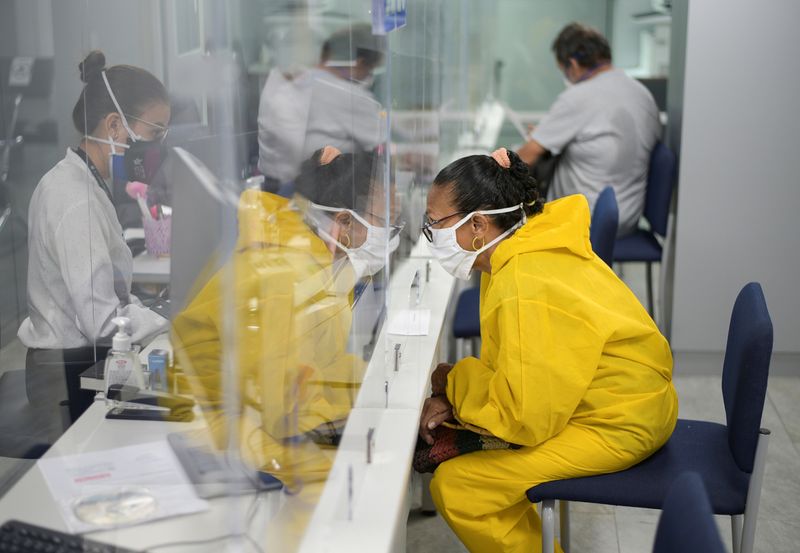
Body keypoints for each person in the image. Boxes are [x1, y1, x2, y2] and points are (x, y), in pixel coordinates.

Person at [419, 147, 678, 552]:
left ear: (478, 226)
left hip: (617, 423)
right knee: (470, 474)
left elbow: (523, 419)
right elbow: (514, 368)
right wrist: (459, 398)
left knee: (461, 488)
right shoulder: (522, 246)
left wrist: (454, 388)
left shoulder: (524, 280)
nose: (431, 233)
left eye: (436, 222)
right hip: (620, 399)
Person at [172, 146, 401, 492]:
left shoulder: (322, 259)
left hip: (262, 411)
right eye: (385, 222)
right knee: (358, 478)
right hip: (225, 423)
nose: (393, 234)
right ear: (343, 221)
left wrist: (370, 387)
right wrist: (358, 406)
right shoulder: (288, 276)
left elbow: (318, 361)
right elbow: (281, 409)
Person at [18, 50, 170, 422]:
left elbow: (110, 294)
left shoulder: (84, 181)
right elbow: (102, 321)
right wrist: (166, 318)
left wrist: (153, 310)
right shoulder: (74, 198)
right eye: (154, 133)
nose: (157, 146)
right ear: (115, 126)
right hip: (65, 377)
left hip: (82, 361)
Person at [517, 22, 661, 236]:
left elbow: (527, 156)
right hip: (626, 218)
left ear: (573, 65)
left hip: (582, 220)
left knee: (500, 227)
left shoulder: (579, 97)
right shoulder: (643, 94)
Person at [256, 24, 385, 191]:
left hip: (275, 187)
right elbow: (382, 145)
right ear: (359, 63)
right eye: (370, 70)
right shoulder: (349, 96)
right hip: (311, 193)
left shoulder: (293, 81)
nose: (369, 76)